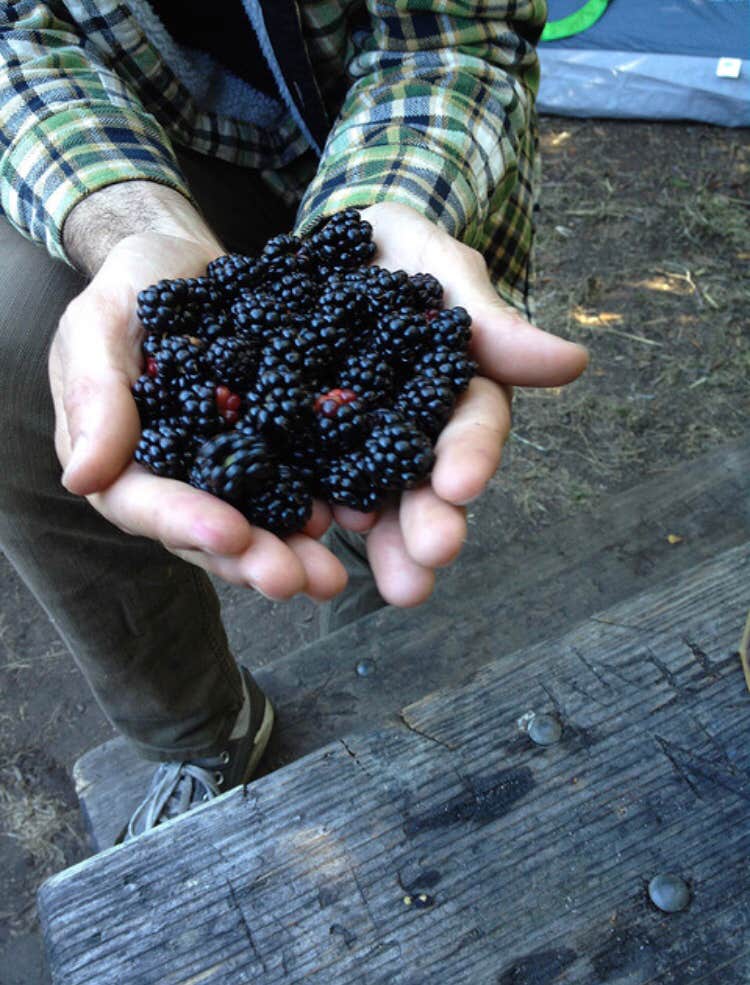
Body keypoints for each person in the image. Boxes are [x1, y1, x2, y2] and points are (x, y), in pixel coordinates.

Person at [0, 0, 588, 842]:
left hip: (380, 140)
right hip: (148, 138)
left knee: (395, 519)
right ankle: (211, 736)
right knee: (15, 349)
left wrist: (384, 210)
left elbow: (458, 40)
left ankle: (382, 659)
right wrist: (133, 220)